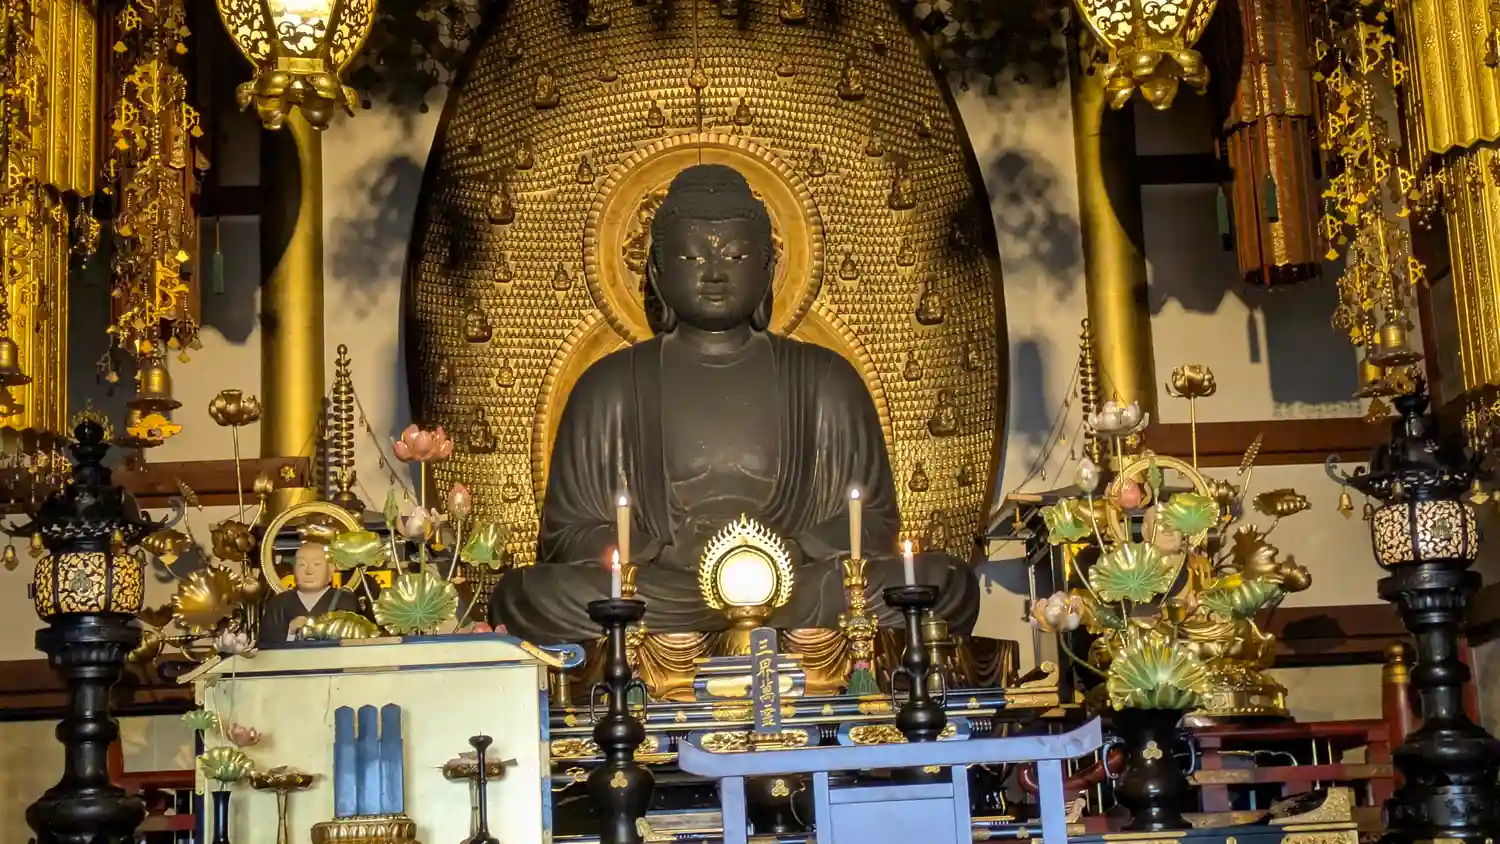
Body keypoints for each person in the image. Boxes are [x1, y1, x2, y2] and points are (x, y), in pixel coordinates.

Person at [488, 163, 978, 644]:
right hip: (665, 590)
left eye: (737, 256)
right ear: (657, 271)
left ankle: (722, 625)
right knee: (524, 596)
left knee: (942, 582)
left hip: (797, 587)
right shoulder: (610, 386)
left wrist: (791, 552)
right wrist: (661, 552)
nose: (715, 273)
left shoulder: (826, 379)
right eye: (692, 257)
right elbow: (567, 536)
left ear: (769, 270)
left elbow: (874, 523)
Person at [258, 542, 363, 647]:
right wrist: (290, 633)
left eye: (317, 564)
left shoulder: (345, 600)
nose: (309, 571)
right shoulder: (278, 604)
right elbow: (267, 647)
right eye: (302, 565)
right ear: (294, 569)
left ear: (331, 569)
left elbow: (357, 640)